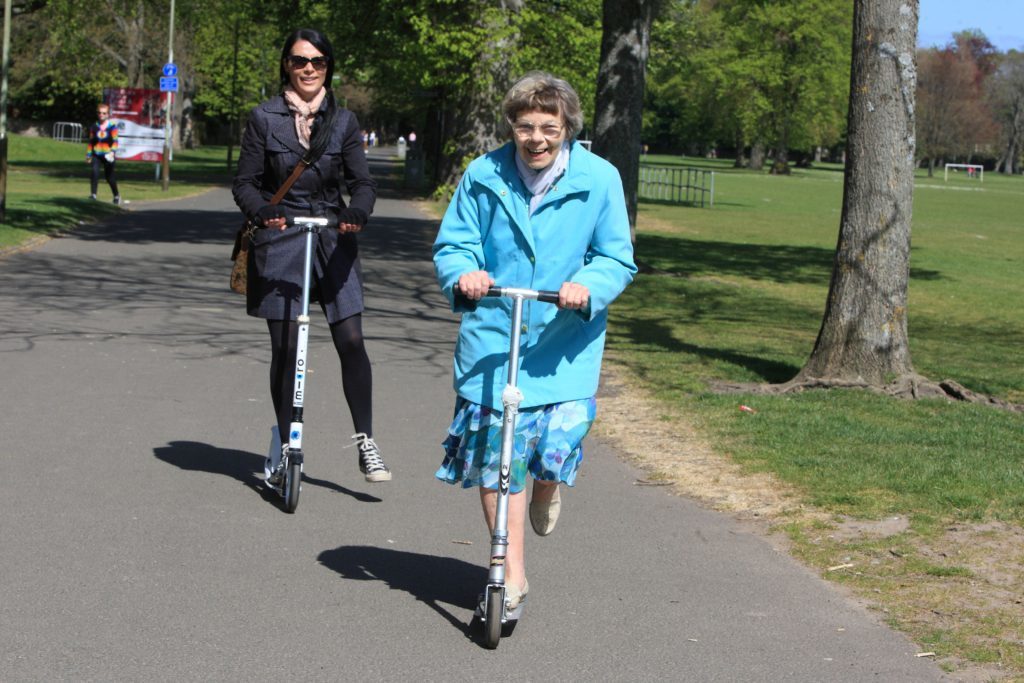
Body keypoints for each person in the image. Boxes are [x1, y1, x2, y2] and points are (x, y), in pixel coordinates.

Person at [432, 71, 636, 609]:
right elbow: (455, 245)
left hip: (566, 343)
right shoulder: (483, 175)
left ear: (567, 126)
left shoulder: (600, 179)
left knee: (550, 453)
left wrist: (586, 287)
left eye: (549, 126)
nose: (537, 138)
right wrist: (465, 275)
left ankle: (549, 484)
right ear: (511, 126)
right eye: (526, 126)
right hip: (495, 340)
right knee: (498, 458)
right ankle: (509, 574)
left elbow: (616, 257)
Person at [232, 28, 392, 484]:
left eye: (318, 62)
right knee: (285, 348)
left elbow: (362, 182)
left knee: (352, 341)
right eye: (300, 60)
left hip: (331, 236)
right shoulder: (263, 118)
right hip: (281, 236)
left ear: (328, 67)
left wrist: (358, 211)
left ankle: (366, 441)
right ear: (286, 64)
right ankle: (286, 446)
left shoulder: (343, 121)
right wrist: (263, 210)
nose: (308, 69)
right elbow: (244, 182)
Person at [86, 103, 121, 204]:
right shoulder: (94, 127)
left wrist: (112, 152)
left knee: (109, 177)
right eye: (99, 113)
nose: (101, 115)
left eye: (104, 113)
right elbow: (91, 142)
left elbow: (115, 141)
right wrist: (88, 154)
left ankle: (116, 195)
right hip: (96, 154)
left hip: (108, 155)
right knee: (94, 172)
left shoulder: (112, 127)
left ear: (107, 114)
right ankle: (93, 195)